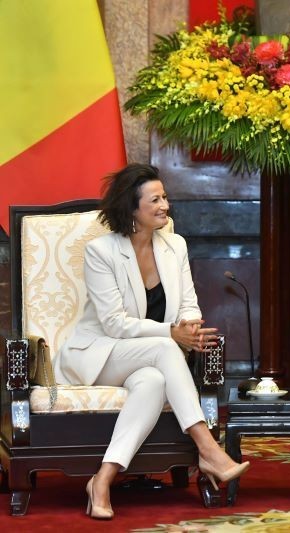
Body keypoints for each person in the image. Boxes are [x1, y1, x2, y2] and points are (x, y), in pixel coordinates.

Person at [54, 163, 249, 520]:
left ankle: (102, 480)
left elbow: (187, 301)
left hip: (147, 360)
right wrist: (171, 335)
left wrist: (189, 330)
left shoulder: (175, 245)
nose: (165, 205)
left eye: (165, 197)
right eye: (155, 199)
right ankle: (207, 448)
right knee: (164, 347)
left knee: (155, 381)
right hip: (98, 354)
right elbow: (113, 324)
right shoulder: (102, 252)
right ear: (132, 208)